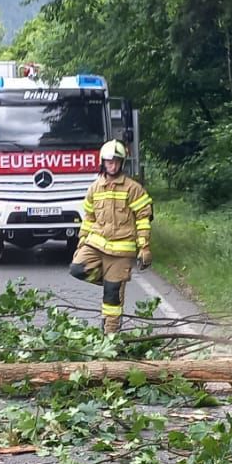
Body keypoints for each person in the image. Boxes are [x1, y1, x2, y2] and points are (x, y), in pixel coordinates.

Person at [69, 139, 152, 333]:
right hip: (96, 244)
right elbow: (89, 217)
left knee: (112, 296)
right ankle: (108, 280)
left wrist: (145, 247)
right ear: (102, 162)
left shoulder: (133, 189)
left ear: (122, 163)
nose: (112, 165)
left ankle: (110, 335)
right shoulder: (95, 188)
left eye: (115, 161)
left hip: (122, 251)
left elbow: (143, 219)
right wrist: (82, 241)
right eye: (108, 161)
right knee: (77, 268)